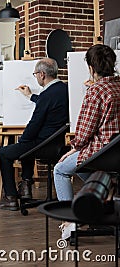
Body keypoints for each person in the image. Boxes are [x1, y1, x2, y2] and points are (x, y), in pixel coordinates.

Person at [53, 44, 120, 240]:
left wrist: (74, 148)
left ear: (91, 67)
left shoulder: (96, 91)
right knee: (87, 170)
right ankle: (104, 196)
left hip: (101, 152)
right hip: (116, 152)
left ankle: (70, 221)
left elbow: (84, 132)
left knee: (61, 169)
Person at [0, 58, 69, 211]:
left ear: (42, 74)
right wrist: (30, 96)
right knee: (27, 145)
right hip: (57, 143)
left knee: (4, 152)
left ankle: (11, 198)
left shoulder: (47, 94)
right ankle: (26, 188)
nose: (35, 77)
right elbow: (46, 103)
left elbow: (35, 124)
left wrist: (22, 141)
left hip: (43, 145)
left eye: (35, 74)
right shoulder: (64, 89)